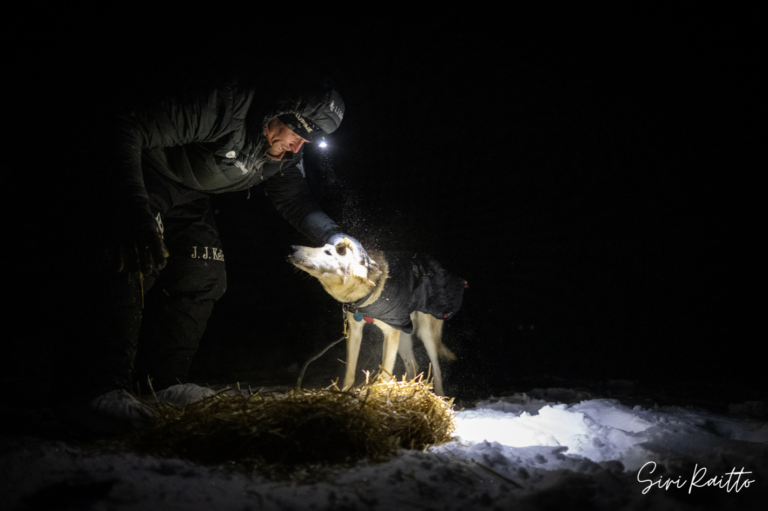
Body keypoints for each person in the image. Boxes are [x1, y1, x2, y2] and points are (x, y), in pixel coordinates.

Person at [62, 70, 367, 433]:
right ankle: (98, 387)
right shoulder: (227, 106)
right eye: (296, 135)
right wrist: (132, 206)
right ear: (279, 111)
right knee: (135, 255)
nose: (298, 147)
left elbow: (296, 201)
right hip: (144, 173)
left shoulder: (282, 155)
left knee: (204, 269)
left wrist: (335, 234)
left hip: (190, 194)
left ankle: (164, 383)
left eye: (308, 141)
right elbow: (128, 125)